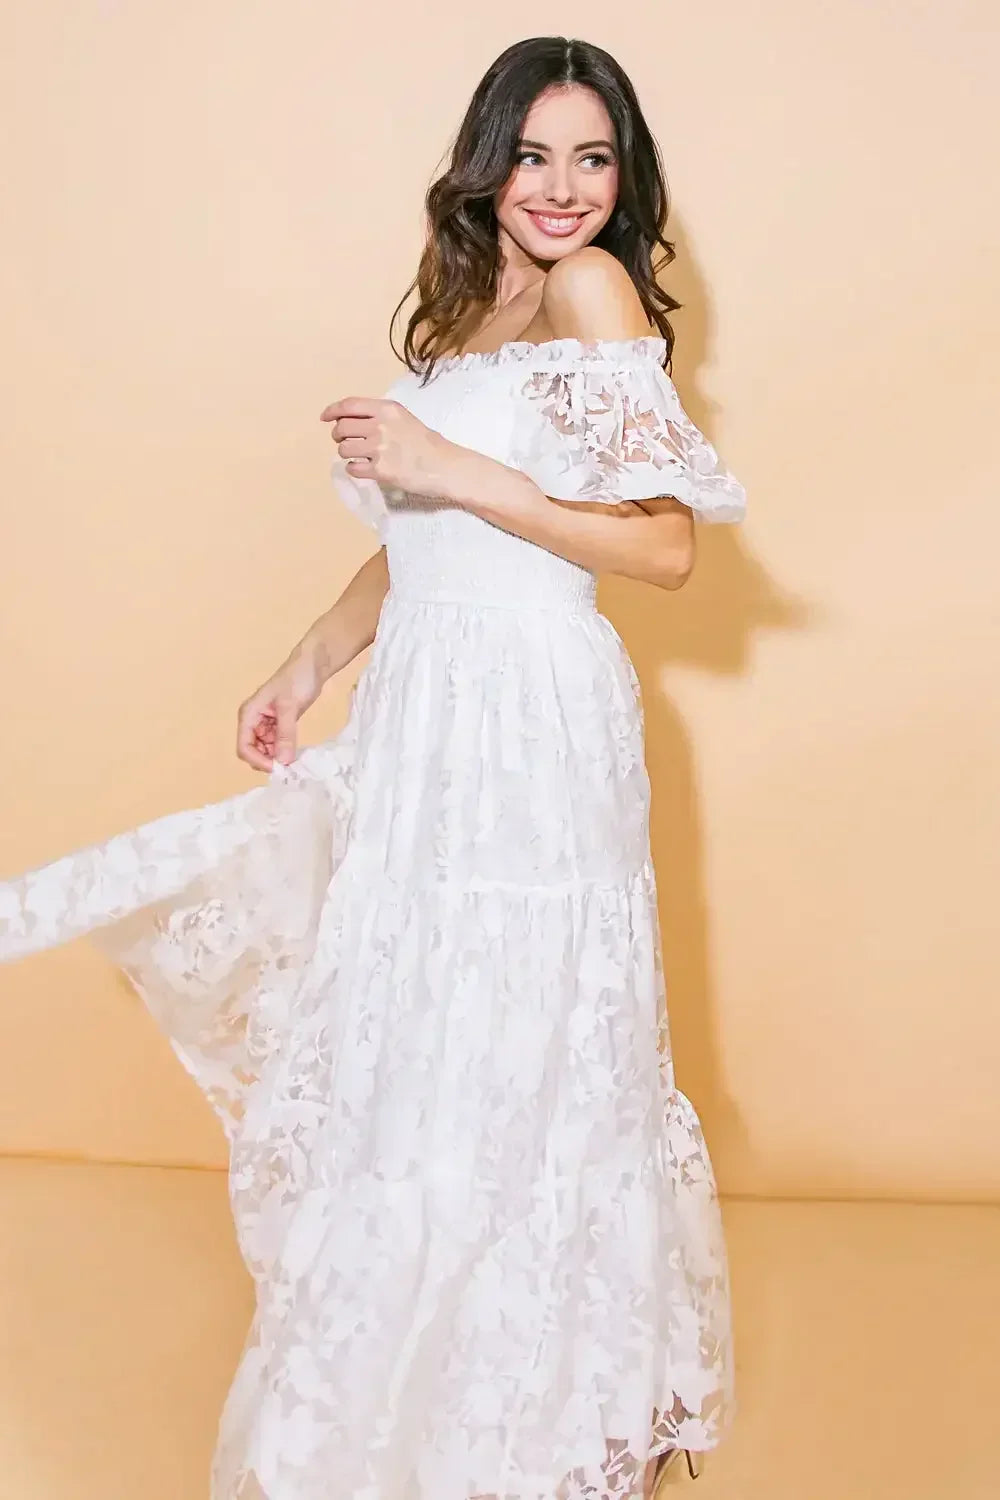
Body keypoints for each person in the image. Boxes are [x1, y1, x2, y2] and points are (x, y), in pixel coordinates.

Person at [0, 34, 746, 1500]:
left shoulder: (597, 293)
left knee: (524, 1032)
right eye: (533, 154)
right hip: (429, 710)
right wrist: (306, 662)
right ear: (486, 160)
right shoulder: (476, 305)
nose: (562, 188)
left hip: (531, 716)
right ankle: (404, 1380)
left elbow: (664, 545)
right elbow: (422, 541)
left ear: (625, 174)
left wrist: (451, 466)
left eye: (593, 158)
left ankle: (536, 1401)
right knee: (418, 1029)